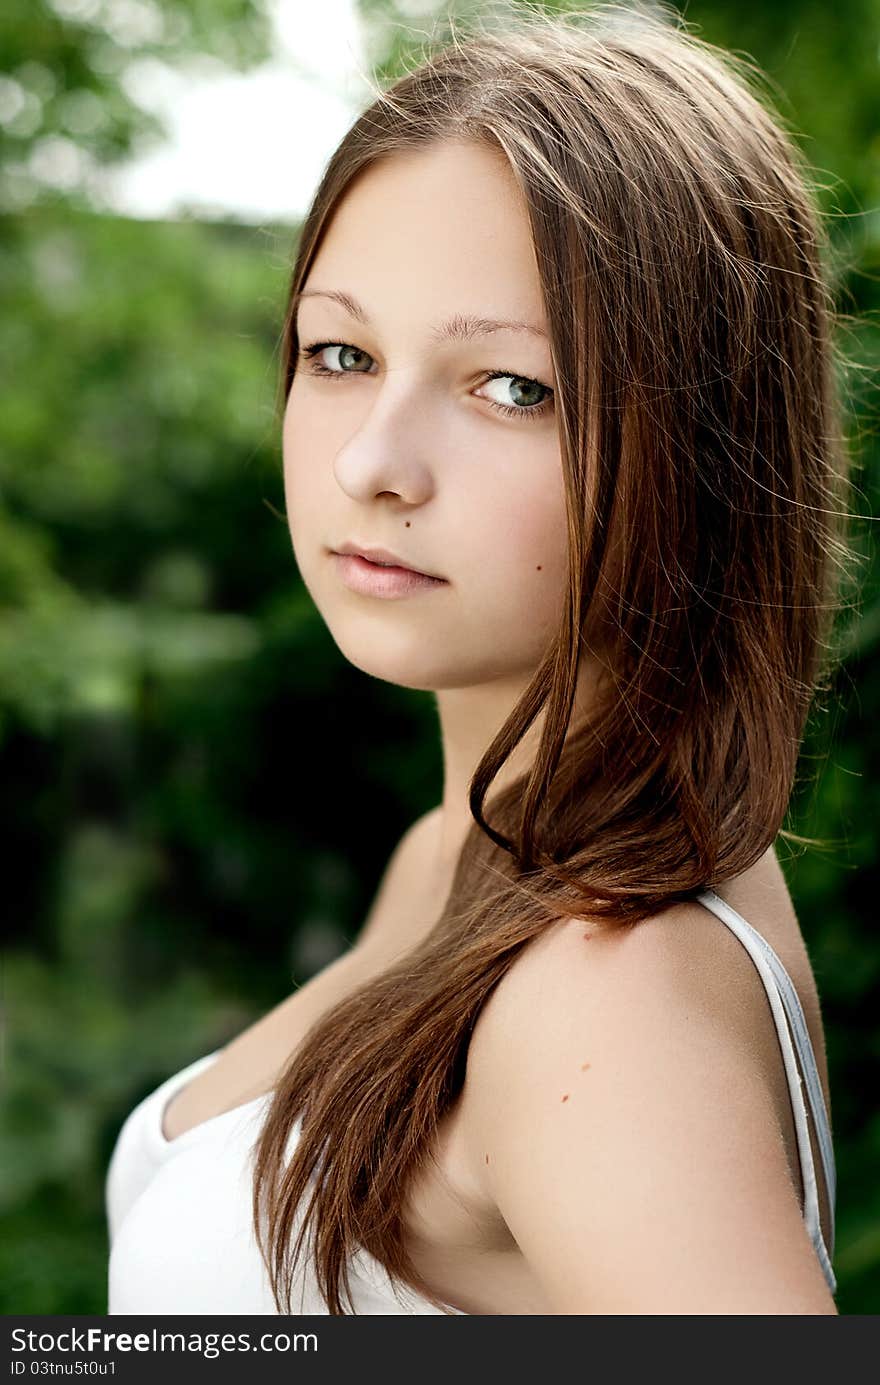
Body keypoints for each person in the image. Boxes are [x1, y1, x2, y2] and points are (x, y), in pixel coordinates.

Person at [106, 2, 854, 1315]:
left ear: (703, 438)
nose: (369, 464)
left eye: (511, 386)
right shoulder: (456, 853)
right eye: (342, 353)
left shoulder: (608, 992)